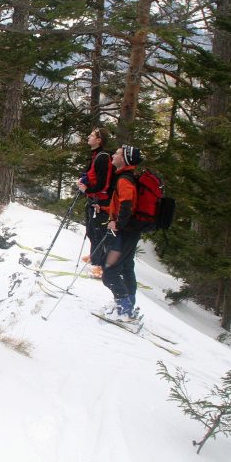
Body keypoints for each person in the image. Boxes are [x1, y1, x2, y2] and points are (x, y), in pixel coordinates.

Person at [95, 144, 143, 321]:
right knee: (127, 267)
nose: (113, 155)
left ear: (124, 159)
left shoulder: (124, 180)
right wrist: (105, 208)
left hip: (124, 233)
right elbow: (122, 205)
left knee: (109, 272)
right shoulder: (128, 177)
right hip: (131, 231)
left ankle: (124, 310)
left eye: (116, 153)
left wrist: (117, 224)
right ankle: (128, 305)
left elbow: (127, 205)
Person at [77, 128, 113, 278]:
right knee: (91, 230)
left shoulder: (102, 157)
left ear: (99, 140)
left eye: (92, 135)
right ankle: (95, 257)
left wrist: (87, 189)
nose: (88, 137)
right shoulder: (96, 155)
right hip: (94, 198)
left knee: (98, 231)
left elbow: (103, 184)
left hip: (100, 200)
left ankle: (100, 265)